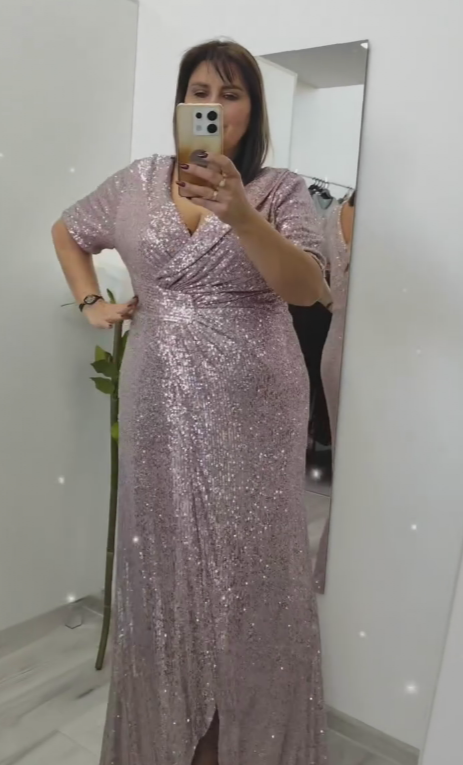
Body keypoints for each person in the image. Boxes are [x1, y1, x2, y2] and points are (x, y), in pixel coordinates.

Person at [52, 40, 328, 765]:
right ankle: (163, 736)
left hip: (257, 400)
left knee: (256, 568)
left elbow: (307, 289)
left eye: (230, 94)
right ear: (181, 103)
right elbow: (68, 230)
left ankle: (252, 739)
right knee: (161, 556)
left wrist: (242, 215)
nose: (213, 106)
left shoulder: (280, 190)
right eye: (199, 91)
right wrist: (90, 302)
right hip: (157, 394)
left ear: (252, 109)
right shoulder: (137, 182)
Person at [314, 190, 355, 592]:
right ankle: (338, 575)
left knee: (349, 474)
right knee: (367, 475)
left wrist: (336, 306)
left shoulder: (336, 214)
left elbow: (318, 283)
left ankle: (329, 572)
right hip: (374, 356)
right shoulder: (393, 222)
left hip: (336, 348)